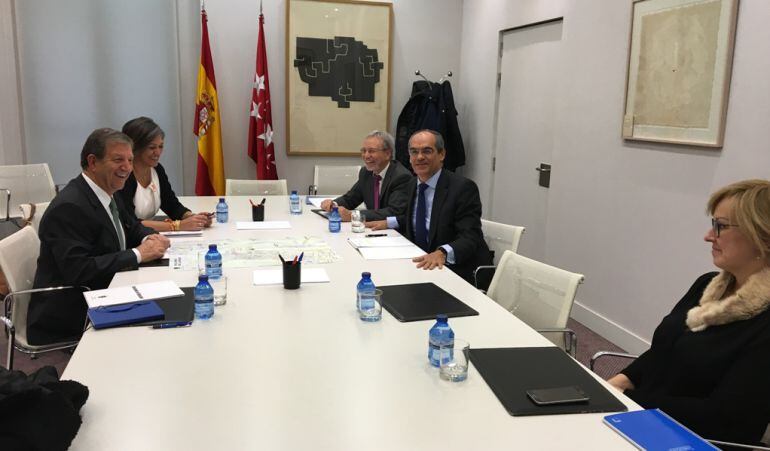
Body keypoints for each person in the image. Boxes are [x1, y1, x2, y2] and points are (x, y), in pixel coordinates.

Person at [608, 179, 770, 447]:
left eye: (721, 226)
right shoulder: (708, 284)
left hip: (695, 439)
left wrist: (626, 399)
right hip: (643, 419)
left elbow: (728, 420)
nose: (708, 236)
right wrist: (619, 381)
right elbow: (664, 351)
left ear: (763, 236)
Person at [28, 128, 170, 345]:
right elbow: (79, 270)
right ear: (93, 162)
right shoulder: (69, 207)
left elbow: (132, 227)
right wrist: (137, 254)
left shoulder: (109, 192)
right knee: (166, 321)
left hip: (106, 288)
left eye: (130, 160)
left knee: (174, 302)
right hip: (73, 308)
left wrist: (150, 239)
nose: (127, 168)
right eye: (118, 160)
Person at [368, 129, 491, 283]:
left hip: (455, 270)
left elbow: (471, 236)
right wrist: (389, 222)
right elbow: (419, 218)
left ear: (442, 154)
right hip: (422, 265)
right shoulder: (413, 183)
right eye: (414, 152)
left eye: (427, 151)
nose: (420, 157)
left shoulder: (462, 188)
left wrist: (442, 253)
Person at [118, 116, 212, 232]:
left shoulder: (157, 170)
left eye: (160, 146)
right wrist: (177, 226)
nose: (157, 153)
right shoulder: (123, 177)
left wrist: (192, 217)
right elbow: (129, 223)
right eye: (152, 147)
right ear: (135, 148)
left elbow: (171, 205)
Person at [320, 130, 413, 221]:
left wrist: (353, 215)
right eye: (363, 151)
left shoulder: (401, 177)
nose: (366, 155)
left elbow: (393, 212)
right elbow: (351, 198)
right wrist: (333, 204)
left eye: (371, 151)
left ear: (387, 154)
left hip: (392, 232)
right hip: (369, 228)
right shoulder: (366, 172)